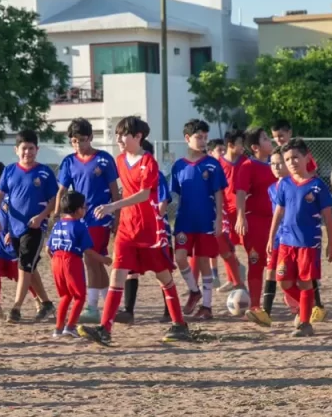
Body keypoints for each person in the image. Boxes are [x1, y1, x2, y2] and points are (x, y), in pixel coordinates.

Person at [80, 116, 193, 345]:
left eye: (123, 134)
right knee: (117, 274)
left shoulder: (149, 162)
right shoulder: (120, 160)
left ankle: (179, 324)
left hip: (148, 231)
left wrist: (113, 205)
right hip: (126, 230)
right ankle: (105, 328)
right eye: (118, 134)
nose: (118, 138)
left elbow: (143, 194)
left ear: (138, 137)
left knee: (163, 276)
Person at [268, 138, 332, 337]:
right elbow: (279, 212)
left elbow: (328, 216)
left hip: (308, 243)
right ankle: (307, 306)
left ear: (306, 157)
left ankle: (304, 323)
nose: (291, 162)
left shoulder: (317, 186)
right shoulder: (285, 184)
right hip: (285, 242)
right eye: (287, 159)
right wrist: (270, 238)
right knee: (283, 281)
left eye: (295, 157)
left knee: (306, 283)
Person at [0, 130, 58, 323]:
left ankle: (16, 307)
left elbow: (54, 199)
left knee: (24, 265)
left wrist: (42, 216)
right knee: (30, 267)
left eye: (31, 148)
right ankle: (46, 304)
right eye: (24, 148)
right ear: (16, 150)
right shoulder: (9, 170)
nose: (27, 152)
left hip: (35, 227)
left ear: (37, 149)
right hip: (15, 228)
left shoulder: (44, 172)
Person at [56, 118, 120, 324]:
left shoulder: (104, 159)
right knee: (96, 262)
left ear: (91, 138)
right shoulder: (68, 162)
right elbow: (62, 191)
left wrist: (117, 216)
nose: (78, 144)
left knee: (90, 260)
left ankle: (92, 307)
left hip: (99, 216)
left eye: (82, 140)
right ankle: (109, 303)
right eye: (74, 141)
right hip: (78, 218)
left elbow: (114, 190)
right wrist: (58, 216)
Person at [170, 119, 228, 321]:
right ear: (187, 138)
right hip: (184, 220)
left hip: (206, 220)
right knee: (180, 257)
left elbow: (219, 192)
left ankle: (207, 306)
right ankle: (194, 291)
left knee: (204, 260)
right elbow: (175, 195)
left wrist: (220, 218)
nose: (203, 141)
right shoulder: (178, 166)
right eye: (198, 137)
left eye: (205, 137)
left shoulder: (212, 164)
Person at [115, 139, 178, 325]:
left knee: (162, 272)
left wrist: (152, 218)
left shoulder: (155, 174)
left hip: (156, 231)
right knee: (129, 271)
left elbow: (163, 202)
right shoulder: (126, 168)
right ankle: (128, 310)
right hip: (134, 229)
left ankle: (171, 313)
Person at [0, 161, 45, 317]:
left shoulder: (14, 193)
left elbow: (19, 214)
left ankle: (38, 300)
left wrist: (12, 231)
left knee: (21, 272)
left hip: (14, 236)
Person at [48, 192, 112, 338]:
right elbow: (88, 250)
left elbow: (48, 248)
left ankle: (58, 329)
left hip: (56, 260)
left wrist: (56, 260)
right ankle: (70, 327)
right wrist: (104, 259)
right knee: (79, 296)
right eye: (84, 207)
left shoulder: (57, 224)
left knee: (65, 296)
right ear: (77, 210)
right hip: (71, 260)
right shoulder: (80, 225)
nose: (86, 209)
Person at [234, 128, 277, 308]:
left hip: (276, 222)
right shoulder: (248, 166)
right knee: (256, 263)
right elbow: (241, 193)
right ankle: (254, 306)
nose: (270, 141)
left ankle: (295, 303)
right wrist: (241, 217)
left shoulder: (276, 165)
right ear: (255, 147)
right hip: (255, 222)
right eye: (266, 139)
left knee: (278, 263)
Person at [247, 145, 289, 327]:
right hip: (277, 236)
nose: (276, 167)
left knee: (291, 278)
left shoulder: (293, 184)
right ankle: (266, 313)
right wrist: (271, 237)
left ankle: (310, 306)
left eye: (280, 164)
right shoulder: (272, 187)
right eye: (272, 164)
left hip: (292, 237)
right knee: (271, 272)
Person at [216, 129, 251, 292]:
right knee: (226, 247)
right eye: (240, 143)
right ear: (230, 145)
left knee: (250, 245)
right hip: (225, 213)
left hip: (243, 211)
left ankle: (249, 278)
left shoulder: (246, 162)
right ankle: (233, 279)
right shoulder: (218, 164)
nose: (243, 147)